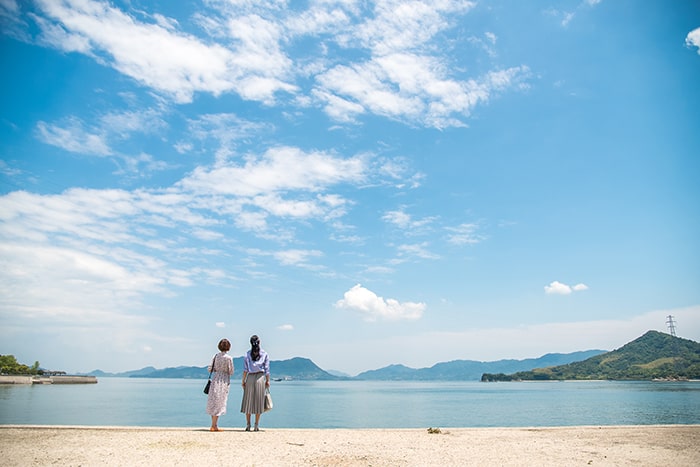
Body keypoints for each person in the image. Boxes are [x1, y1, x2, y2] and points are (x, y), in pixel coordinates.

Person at [240, 334, 270, 431]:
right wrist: (268, 380)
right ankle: (256, 425)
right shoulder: (264, 354)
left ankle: (248, 425)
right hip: (260, 377)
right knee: (258, 402)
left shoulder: (247, 354)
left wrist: (243, 381)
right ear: (259, 342)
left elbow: (245, 370)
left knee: (248, 401)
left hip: (250, 377)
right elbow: (267, 369)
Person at [205, 338, 234, 432]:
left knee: (214, 401)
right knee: (220, 402)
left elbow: (210, 368)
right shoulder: (229, 358)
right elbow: (231, 371)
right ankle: (214, 426)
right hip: (224, 381)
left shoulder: (216, 356)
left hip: (215, 379)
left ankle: (214, 425)